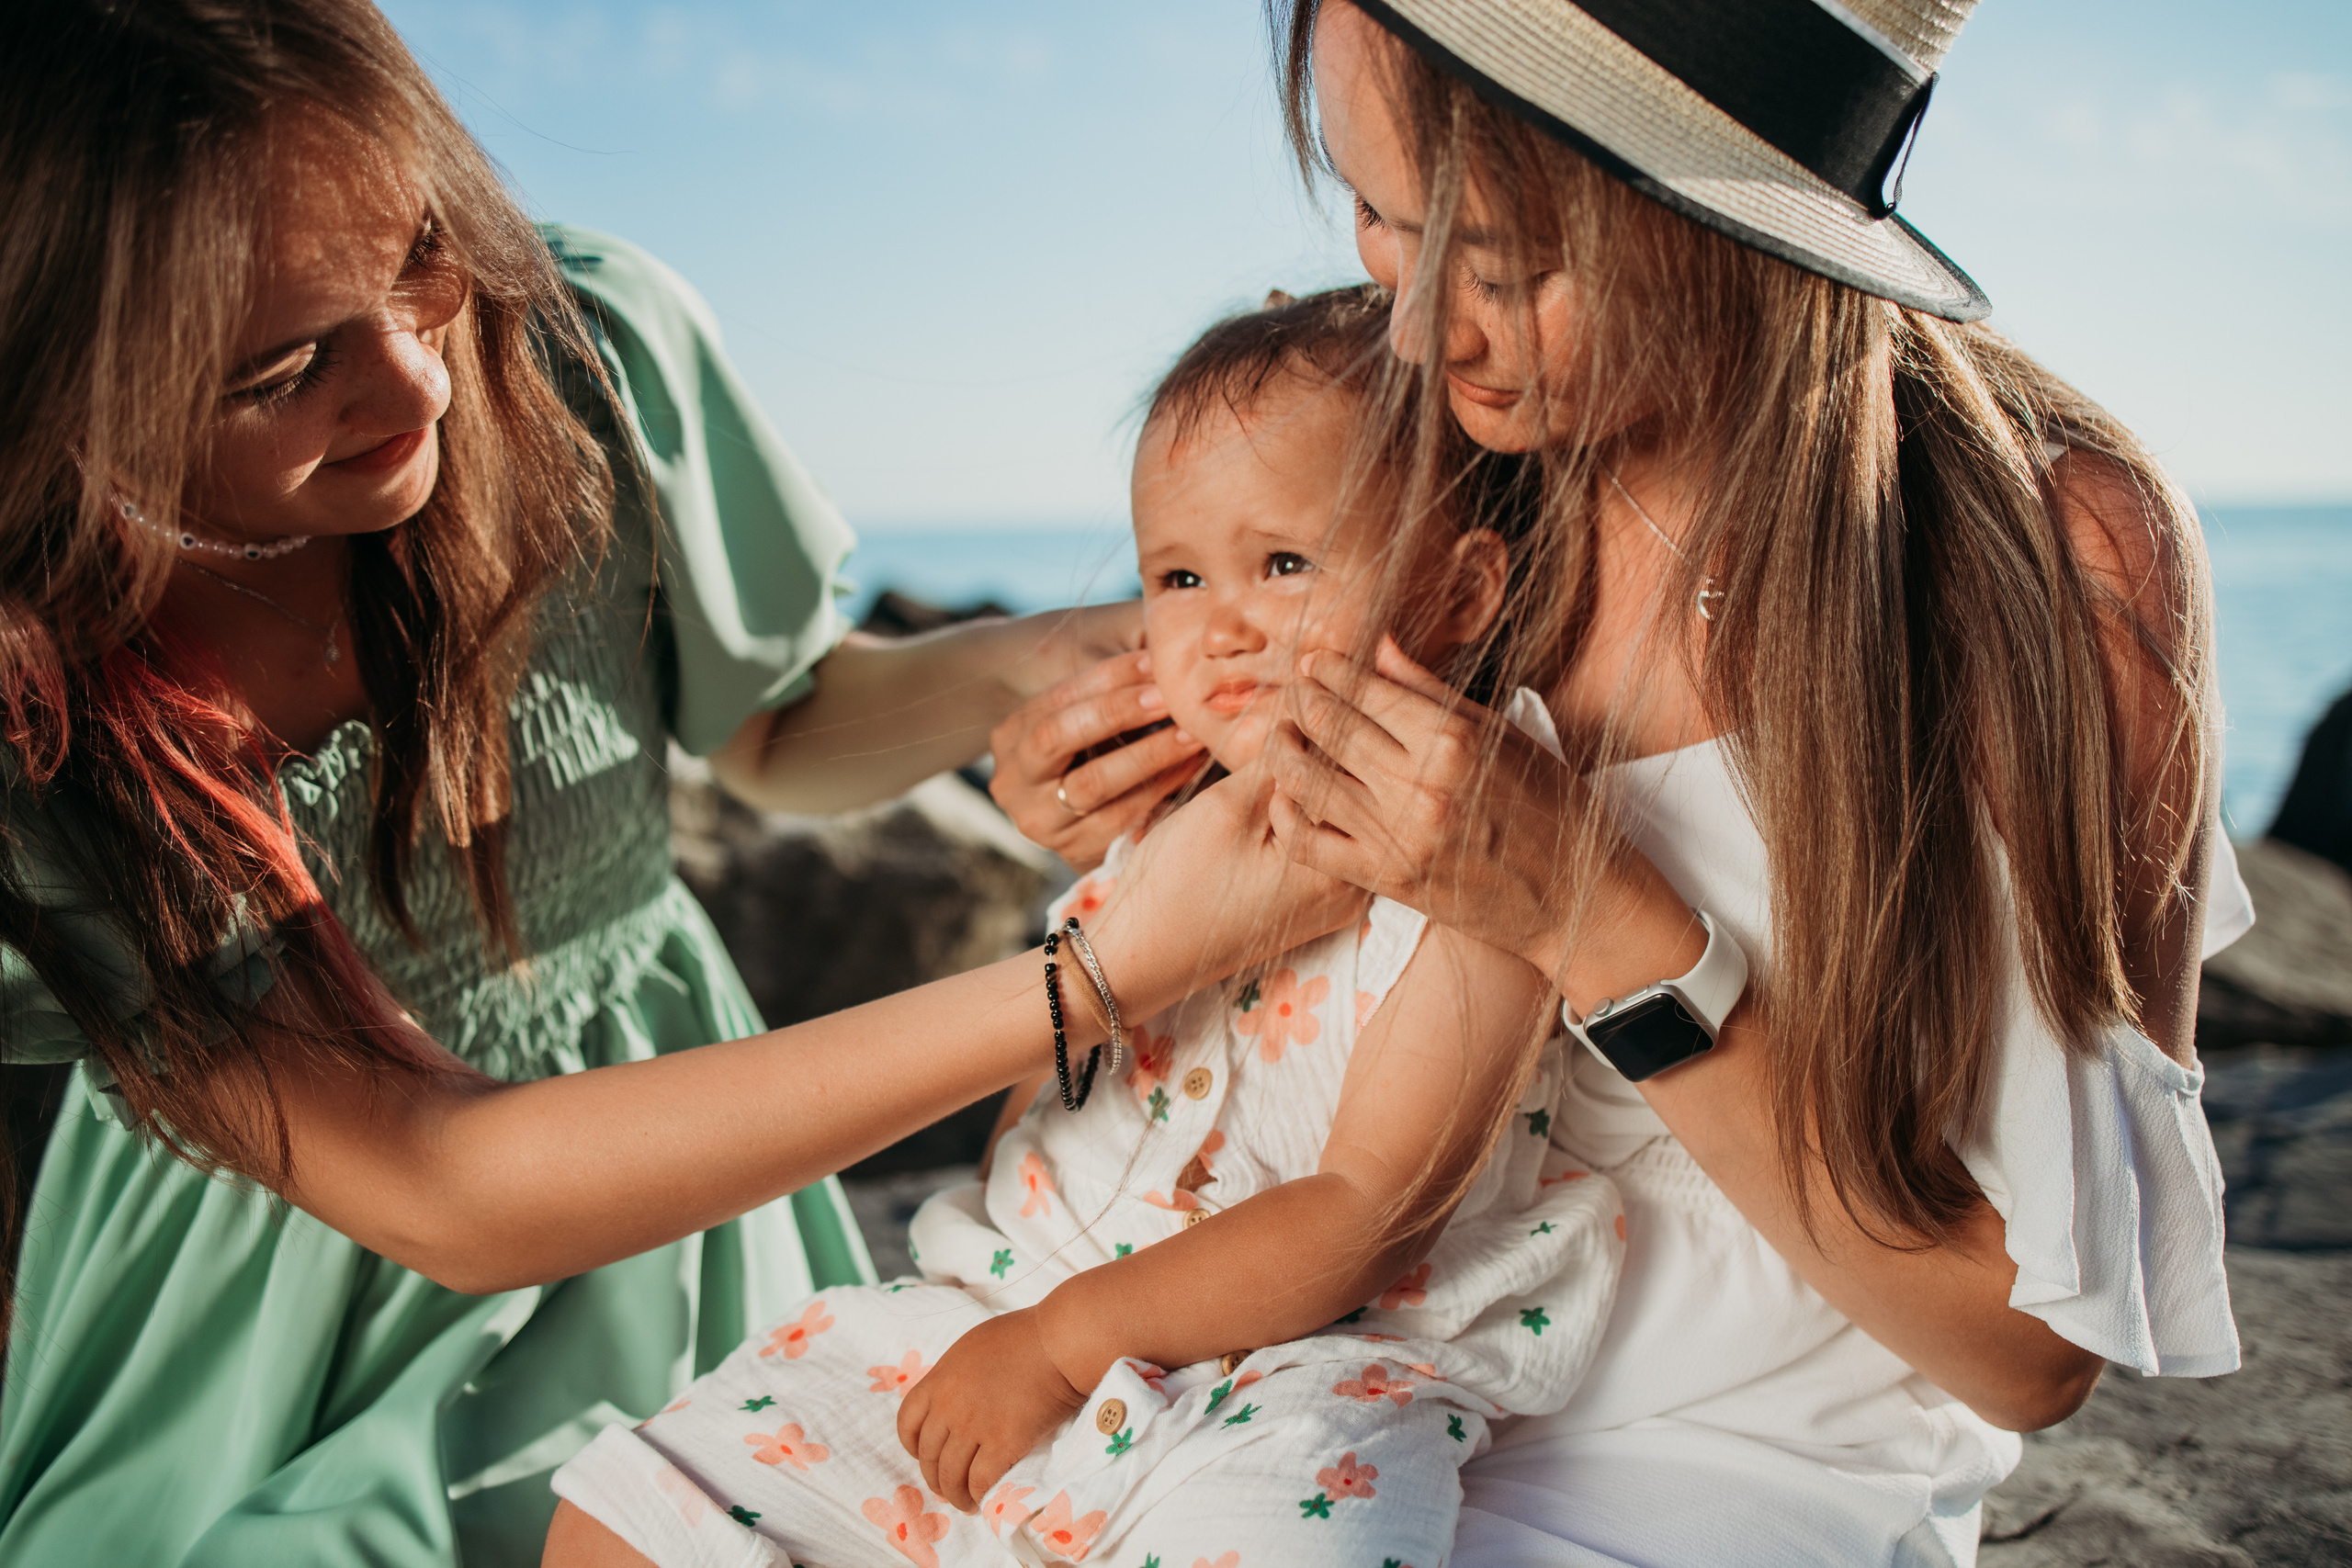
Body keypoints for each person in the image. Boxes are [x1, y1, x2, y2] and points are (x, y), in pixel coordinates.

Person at [0, 4, 1340, 1564]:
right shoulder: (46, 719)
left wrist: (1045, 664)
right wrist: (1103, 973)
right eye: (287, 370)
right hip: (262, 1298)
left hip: (695, 1179)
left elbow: (771, 727)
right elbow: (442, 1182)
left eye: (422, 250)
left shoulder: (577, 352)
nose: (416, 382)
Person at [1225, 3, 2253, 1562]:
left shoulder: (2048, 557)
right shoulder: (1453, 471)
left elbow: (2038, 1351)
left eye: (1499, 266)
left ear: (1729, 219)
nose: (1426, 331)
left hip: (1728, 1491)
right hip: (1336, 1397)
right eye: (1375, 215)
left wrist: (1608, 929)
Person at [542, 288, 1624, 1568]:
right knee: (635, 1508)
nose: (1217, 622)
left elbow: (1365, 1211)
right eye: (1175, 575)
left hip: (1288, 1381)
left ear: (1459, 590)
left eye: (1283, 563)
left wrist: (1064, 1348)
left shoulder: (1475, 838)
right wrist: (1022, 1313)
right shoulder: (1170, 812)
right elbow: (1048, 1109)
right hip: (1002, 1301)